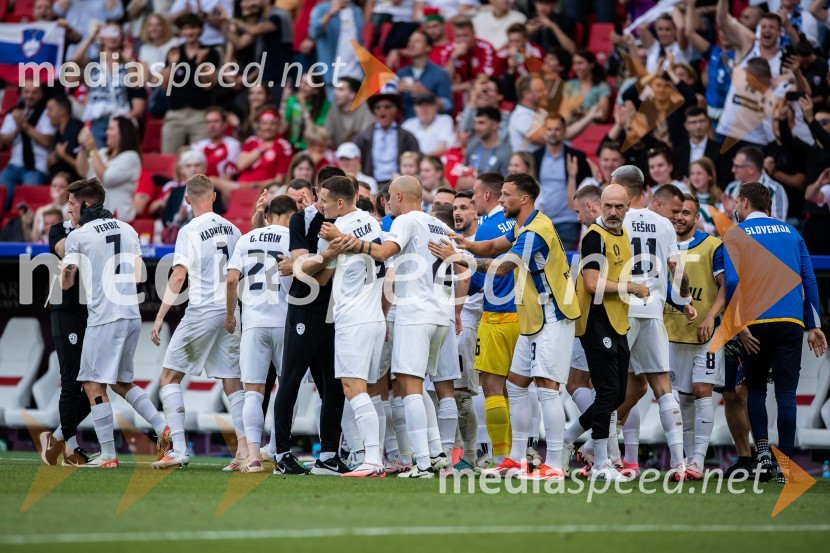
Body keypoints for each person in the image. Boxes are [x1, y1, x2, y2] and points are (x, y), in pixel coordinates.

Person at [435, 172, 582, 480]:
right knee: (515, 385)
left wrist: (458, 256)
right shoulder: (524, 225)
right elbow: (491, 247)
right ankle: (515, 459)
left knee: (548, 390)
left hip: (553, 317)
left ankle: (554, 464)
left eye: (506, 195)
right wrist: (465, 244)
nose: (500, 200)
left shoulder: (535, 232)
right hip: (534, 318)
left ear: (523, 199)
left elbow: (502, 268)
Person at [320, 175, 457, 478]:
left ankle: (419, 463)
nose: (387, 203)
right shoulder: (440, 224)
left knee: (408, 387)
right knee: (419, 387)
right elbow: (463, 263)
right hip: (441, 314)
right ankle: (437, 455)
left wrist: (345, 241)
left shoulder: (405, 221)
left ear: (397, 196)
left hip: (414, 311)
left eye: (389, 198)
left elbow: (383, 254)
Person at [59, 178, 168, 468]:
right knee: (121, 382)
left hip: (105, 317)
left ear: (86, 203)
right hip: (131, 315)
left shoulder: (78, 235)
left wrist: (67, 272)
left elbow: (67, 282)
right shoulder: (129, 229)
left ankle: (107, 455)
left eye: (71, 204)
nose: (68, 210)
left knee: (93, 385)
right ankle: (164, 427)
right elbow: (138, 274)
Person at [726, 181, 826, 482]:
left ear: (744, 203)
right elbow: (809, 279)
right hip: (791, 322)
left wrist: (738, 324)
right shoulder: (792, 233)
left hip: (755, 323)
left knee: (755, 388)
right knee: (785, 393)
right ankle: (786, 467)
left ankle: (764, 456)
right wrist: (815, 325)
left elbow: (731, 283)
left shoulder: (735, 234)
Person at [149, 175, 247, 471]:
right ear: (214, 196)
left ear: (187, 200)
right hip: (231, 309)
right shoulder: (234, 229)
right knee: (233, 381)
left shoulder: (189, 230)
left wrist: (160, 314)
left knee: (169, 378)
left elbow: (179, 275)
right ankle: (245, 451)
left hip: (203, 308)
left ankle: (178, 448)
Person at [611, 170, 696, 481]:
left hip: (622, 309)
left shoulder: (616, 221)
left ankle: (604, 457)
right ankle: (679, 464)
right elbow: (679, 276)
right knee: (663, 389)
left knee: (613, 386)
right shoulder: (664, 225)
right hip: (653, 311)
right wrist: (685, 296)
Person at [561, 183, 646, 481]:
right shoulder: (594, 237)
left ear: (628, 206)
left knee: (618, 393)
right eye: (608, 206)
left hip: (616, 318)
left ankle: (569, 438)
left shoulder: (623, 234)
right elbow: (592, 284)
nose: (612, 212)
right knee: (609, 390)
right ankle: (600, 463)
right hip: (595, 319)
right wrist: (632, 287)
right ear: (600, 205)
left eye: (618, 207)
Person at [272, 166, 351, 476]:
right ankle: (281, 453)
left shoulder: (350, 221)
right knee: (291, 379)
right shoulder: (302, 218)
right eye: (324, 195)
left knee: (334, 385)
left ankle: (329, 455)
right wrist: (329, 255)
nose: (326, 202)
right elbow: (302, 267)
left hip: (337, 311)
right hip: (305, 306)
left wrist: (311, 263)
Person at [314, 176, 388, 477]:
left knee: (351, 387)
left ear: (340, 203)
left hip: (353, 318)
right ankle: (374, 456)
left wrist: (323, 250)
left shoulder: (335, 229)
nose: (320, 205)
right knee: (368, 390)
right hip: (373, 317)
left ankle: (372, 458)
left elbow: (319, 278)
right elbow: (323, 276)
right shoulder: (371, 223)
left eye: (324, 200)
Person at [224, 195, 297, 473]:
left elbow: (231, 279)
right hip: (285, 322)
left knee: (253, 391)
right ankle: (281, 452)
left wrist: (231, 315)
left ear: (267, 216)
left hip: (253, 322)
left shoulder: (246, 239)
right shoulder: (293, 237)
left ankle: (253, 457)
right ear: (291, 216)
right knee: (287, 387)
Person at [668, 193, 727, 480]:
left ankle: (698, 462)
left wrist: (711, 316)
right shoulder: (662, 245)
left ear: (696, 217)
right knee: (683, 398)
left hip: (707, 334)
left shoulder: (713, 245)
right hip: (673, 332)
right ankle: (686, 462)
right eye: (676, 211)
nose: (680, 217)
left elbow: (726, 287)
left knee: (703, 390)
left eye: (686, 213)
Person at [69, 23, 146, 148]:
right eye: (109, 33)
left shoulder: (128, 63)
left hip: (119, 119)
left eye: (117, 33)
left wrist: (128, 61)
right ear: (103, 37)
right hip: (97, 120)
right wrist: (91, 38)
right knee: (96, 158)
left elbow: (136, 85)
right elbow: (75, 59)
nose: (113, 37)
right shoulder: (93, 62)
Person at [159, 14, 221, 154]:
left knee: (200, 160)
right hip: (175, 113)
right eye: (186, 28)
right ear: (181, 31)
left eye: (193, 28)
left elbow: (208, 85)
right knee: (169, 158)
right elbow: (165, 86)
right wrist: (172, 65)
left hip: (199, 114)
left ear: (200, 30)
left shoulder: (210, 52)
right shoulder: (174, 52)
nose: (190, 32)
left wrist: (201, 63)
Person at [532, 115, 590, 251]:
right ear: (543, 131)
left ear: (564, 131)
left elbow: (588, 186)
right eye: (549, 129)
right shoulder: (535, 157)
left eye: (557, 129)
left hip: (567, 221)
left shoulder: (577, 157)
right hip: (541, 220)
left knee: (567, 264)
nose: (553, 133)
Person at [0, 79, 54, 210]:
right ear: (21, 94)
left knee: (26, 204)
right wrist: (17, 130)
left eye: (34, 92)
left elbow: (47, 141)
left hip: (36, 167)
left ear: (41, 94)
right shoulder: (14, 113)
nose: (30, 96)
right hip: (14, 165)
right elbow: (2, 141)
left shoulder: (48, 114)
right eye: (26, 92)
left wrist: (25, 126)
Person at [76, 116, 141, 223]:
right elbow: (83, 171)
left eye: (111, 129)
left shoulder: (131, 157)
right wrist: (83, 146)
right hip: (97, 219)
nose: (107, 132)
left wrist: (93, 150)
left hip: (119, 221)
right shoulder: (103, 153)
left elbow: (107, 178)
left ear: (124, 133)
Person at [354, 85, 421, 185]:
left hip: (399, 184)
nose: (382, 111)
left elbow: (417, 160)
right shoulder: (362, 137)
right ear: (373, 111)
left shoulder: (408, 137)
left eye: (387, 107)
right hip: (371, 184)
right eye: (377, 107)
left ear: (396, 110)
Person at [398, 30, 454, 120]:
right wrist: (396, 93)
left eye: (417, 41)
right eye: (410, 41)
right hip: (407, 126)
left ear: (428, 48)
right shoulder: (401, 73)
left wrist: (427, 95)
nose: (411, 45)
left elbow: (448, 106)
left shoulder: (440, 73)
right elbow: (390, 107)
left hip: (432, 128)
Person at [723, 146, 788, 222]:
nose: (733, 170)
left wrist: (738, 211)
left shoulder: (774, 190)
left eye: (737, 166)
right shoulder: (731, 188)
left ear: (751, 169)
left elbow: (778, 223)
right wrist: (726, 214)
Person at [237, 107, 294, 188]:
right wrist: (260, 149)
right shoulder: (251, 141)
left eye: (272, 124)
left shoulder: (284, 146)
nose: (268, 127)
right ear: (259, 125)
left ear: (278, 126)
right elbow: (240, 166)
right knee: (213, 180)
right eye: (264, 123)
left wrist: (253, 185)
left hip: (266, 190)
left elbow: (279, 180)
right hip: (240, 186)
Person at [674, 106, 730, 188]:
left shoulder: (721, 150)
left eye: (702, 121)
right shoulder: (679, 152)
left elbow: (726, 179)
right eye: (693, 122)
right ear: (686, 126)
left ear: (708, 122)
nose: (698, 126)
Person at [325, 77, 375, 147]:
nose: (334, 93)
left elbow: (367, 138)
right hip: (340, 154)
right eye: (336, 89)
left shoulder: (366, 109)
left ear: (352, 95)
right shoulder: (334, 108)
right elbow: (326, 136)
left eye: (340, 89)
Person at [464, 107, 512, 176]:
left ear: (494, 125)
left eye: (481, 123)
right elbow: (463, 175)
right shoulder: (472, 147)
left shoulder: (506, 152)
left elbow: (507, 184)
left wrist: (475, 183)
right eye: (476, 123)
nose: (476, 127)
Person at [46, 94, 82, 181]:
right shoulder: (57, 134)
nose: (47, 114)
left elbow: (85, 169)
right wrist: (49, 163)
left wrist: (64, 156)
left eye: (50, 110)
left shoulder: (78, 130)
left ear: (62, 111)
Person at [508, 75, 546, 153]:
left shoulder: (542, 112)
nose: (545, 93)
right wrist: (565, 108)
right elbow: (547, 139)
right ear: (526, 94)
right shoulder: (521, 116)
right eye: (540, 90)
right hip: (527, 163)